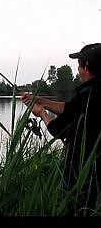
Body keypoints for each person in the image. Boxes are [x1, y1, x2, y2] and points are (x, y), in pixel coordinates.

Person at [21, 43, 101, 216]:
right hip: (94, 167)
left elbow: (58, 129)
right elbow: (70, 109)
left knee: (73, 208)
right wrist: (41, 100)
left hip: (79, 168)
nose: (78, 69)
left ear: (86, 66)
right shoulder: (93, 93)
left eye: (79, 64)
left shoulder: (87, 95)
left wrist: (41, 113)